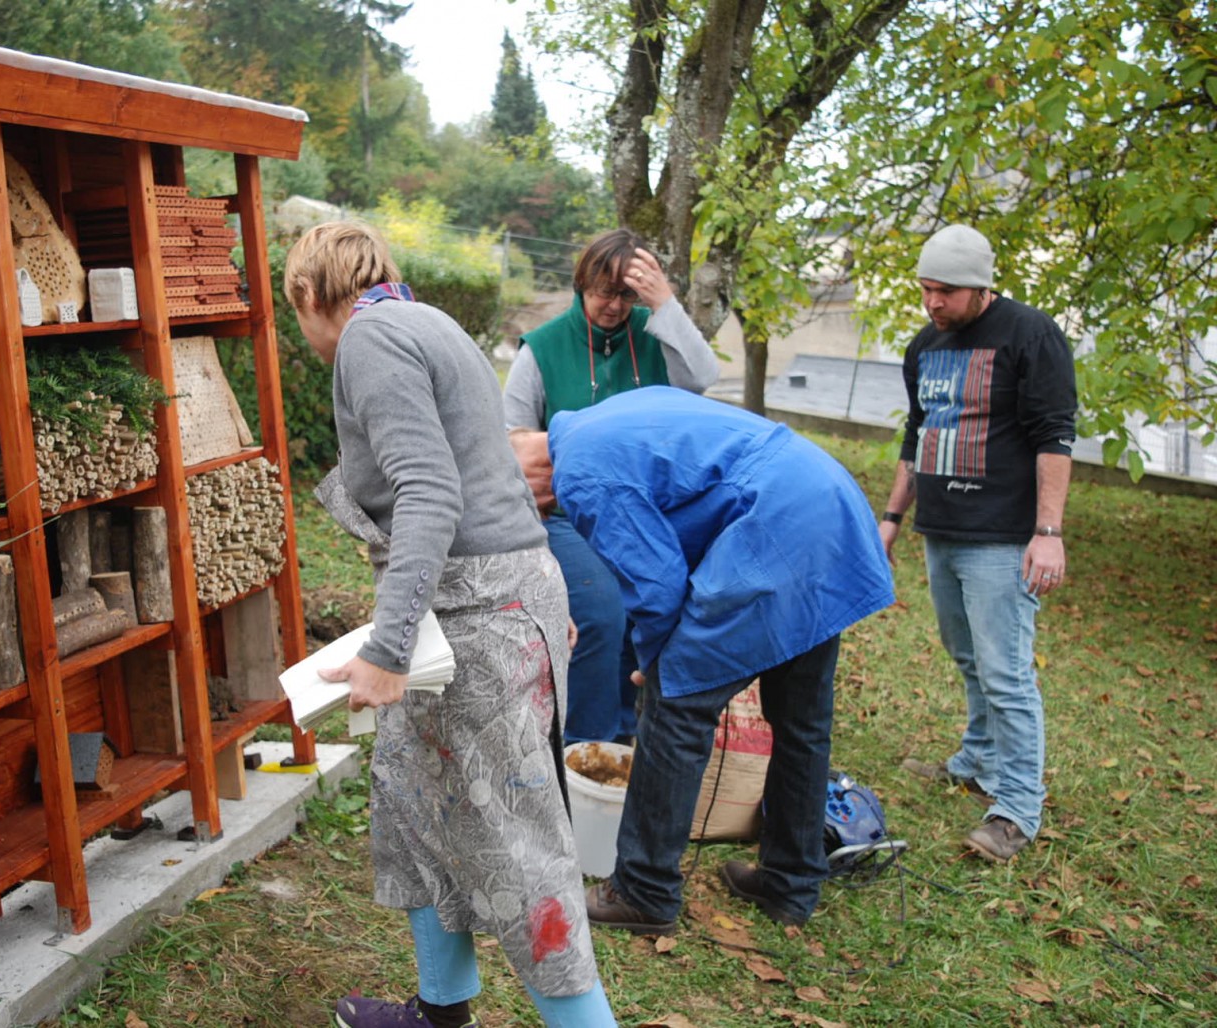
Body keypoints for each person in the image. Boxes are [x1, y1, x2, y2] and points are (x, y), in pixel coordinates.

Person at [283, 222, 617, 1028]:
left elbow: (430, 490)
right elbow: (489, 464)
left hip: (476, 619)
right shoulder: (430, 323)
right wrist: (540, 604)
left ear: (306, 295)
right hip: (489, 603)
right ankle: (440, 1015)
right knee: (415, 810)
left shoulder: (370, 338)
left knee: (516, 851)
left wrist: (387, 650)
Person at [511, 387, 895, 932]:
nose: (549, 513)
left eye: (538, 508)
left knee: (675, 704)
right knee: (801, 719)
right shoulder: (602, 418)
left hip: (775, 523)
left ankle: (643, 891)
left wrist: (654, 664)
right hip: (825, 503)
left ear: (525, 474)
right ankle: (791, 882)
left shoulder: (582, 471)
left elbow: (656, 583)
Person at [878, 224, 1077, 864]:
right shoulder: (923, 346)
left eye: (946, 292)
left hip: (1002, 534)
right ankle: (978, 758)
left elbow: (1055, 436)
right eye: (926, 290)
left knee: (1006, 671)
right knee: (967, 656)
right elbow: (918, 433)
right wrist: (891, 517)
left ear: (981, 287)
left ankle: (1017, 807)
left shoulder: (1030, 335)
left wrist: (1048, 534)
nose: (933, 303)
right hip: (943, 527)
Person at [504, 228, 720, 746]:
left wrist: (663, 303)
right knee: (603, 611)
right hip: (567, 516)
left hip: (650, 513)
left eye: (626, 294)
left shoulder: (652, 331)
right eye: (603, 291)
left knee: (666, 604)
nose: (614, 306)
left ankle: (645, 736)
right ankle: (588, 749)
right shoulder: (543, 348)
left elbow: (702, 378)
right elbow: (509, 439)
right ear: (581, 285)